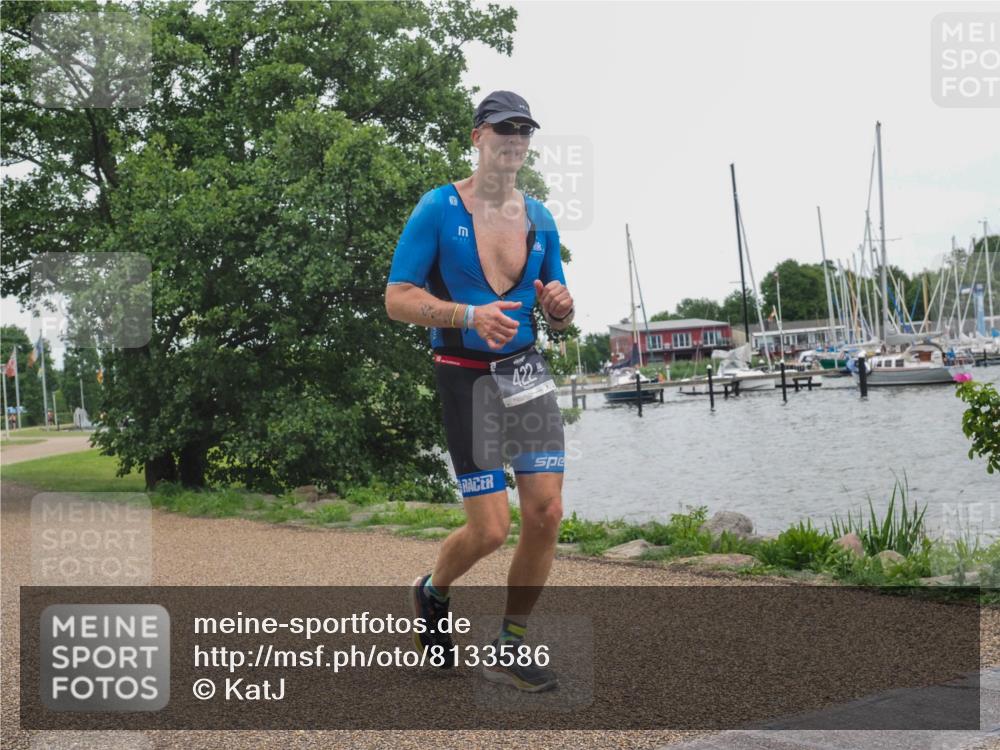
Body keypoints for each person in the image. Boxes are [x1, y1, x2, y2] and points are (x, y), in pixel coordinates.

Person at [385, 91, 574, 693]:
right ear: (477, 138)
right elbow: (397, 298)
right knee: (491, 529)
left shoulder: (539, 217)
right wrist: (467, 315)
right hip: (465, 373)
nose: (514, 140)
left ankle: (510, 644)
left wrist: (561, 307)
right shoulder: (438, 208)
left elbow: (559, 305)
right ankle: (433, 591)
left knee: (545, 514)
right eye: (503, 130)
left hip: (525, 372)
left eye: (523, 131)